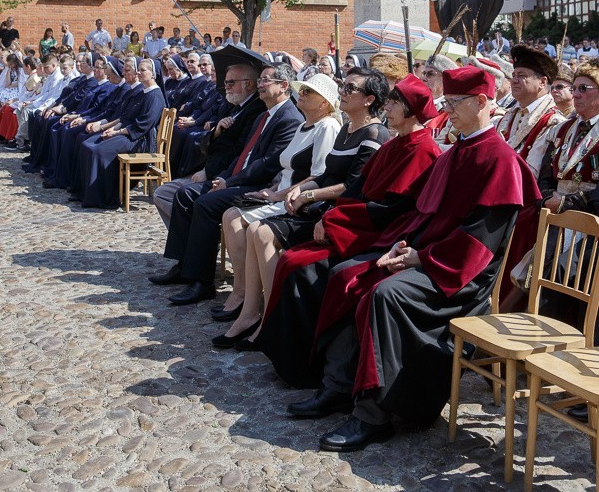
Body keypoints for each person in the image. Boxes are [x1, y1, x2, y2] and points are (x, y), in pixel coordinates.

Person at [287, 67, 540, 453]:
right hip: (430, 256)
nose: (446, 110)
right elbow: (424, 215)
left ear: (483, 102)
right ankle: (338, 386)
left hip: (460, 276)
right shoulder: (458, 151)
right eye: (448, 102)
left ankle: (374, 415)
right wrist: (400, 248)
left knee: (385, 294)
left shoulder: (500, 160)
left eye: (455, 103)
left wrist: (420, 258)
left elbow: (481, 243)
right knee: (348, 274)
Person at [258, 73, 440, 388]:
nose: (389, 107)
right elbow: (359, 187)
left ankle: (309, 367)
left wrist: (333, 221)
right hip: (361, 225)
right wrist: (331, 215)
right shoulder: (396, 142)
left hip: (382, 235)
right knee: (290, 260)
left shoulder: (422, 149)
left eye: (396, 102)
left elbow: (392, 210)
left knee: (303, 267)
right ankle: (290, 361)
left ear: (411, 111)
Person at [151, 63, 301, 304]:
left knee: (205, 202)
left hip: (262, 186)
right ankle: (184, 265)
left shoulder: (288, 118)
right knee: (185, 195)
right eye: (260, 80)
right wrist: (224, 177)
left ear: (284, 86)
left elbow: (266, 165)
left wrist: (228, 181)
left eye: (265, 81)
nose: (260, 85)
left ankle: (203, 281)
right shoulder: (266, 113)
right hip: (239, 177)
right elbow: (245, 154)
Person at [212, 72, 342, 347]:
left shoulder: (327, 127)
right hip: (278, 192)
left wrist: (276, 194)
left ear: (325, 103)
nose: (302, 95)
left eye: (309, 92)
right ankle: (245, 299)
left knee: (247, 226)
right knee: (231, 215)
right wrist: (272, 191)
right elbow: (287, 167)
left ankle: (260, 310)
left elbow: (318, 174)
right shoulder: (304, 125)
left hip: (295, 199)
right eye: (302, 90)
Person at [538, 62, 599, 214]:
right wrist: (547, 197)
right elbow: (545, 177)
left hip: (592, 218)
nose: (575, 94)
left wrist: (565, 203)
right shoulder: (560, 129)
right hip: (552, 214)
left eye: (583, 88)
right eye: (574, 88)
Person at [72, 58, 164, 208]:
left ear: (153, 74)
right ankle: (85, 193)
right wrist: (113, 129)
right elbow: (127, 117)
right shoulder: (143, 92)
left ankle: (104, 197)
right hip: (129, 134)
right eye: (138, 69)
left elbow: (142, 125)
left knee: (99, 151)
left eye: (143, 70)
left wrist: (116, 133)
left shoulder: (154, 96)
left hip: (139, 140)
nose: (139, 73)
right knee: (88, 144)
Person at [494, 44, 563, 175]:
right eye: (513, 75)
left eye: (521, 75)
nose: (514, 80)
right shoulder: (507, 116)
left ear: (542, 82)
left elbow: (535, 172)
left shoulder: (555, 122)